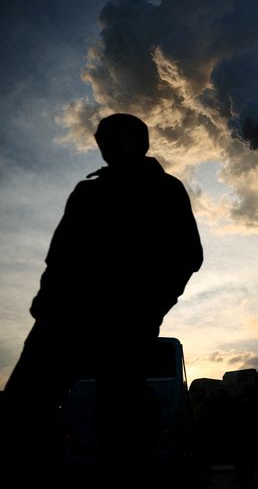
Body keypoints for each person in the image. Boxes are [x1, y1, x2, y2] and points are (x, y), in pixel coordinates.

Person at [0, 113, 203, 483]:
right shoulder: (88, 191)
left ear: (133, 140)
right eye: (99, 137)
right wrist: (45, 303)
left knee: (119, 420)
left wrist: (150, 308)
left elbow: (188, 257)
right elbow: (60, 255)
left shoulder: (163, 190)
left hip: (123, 324)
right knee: (22, 408)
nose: (101, 144)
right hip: (63, 319)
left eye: (108, 137)